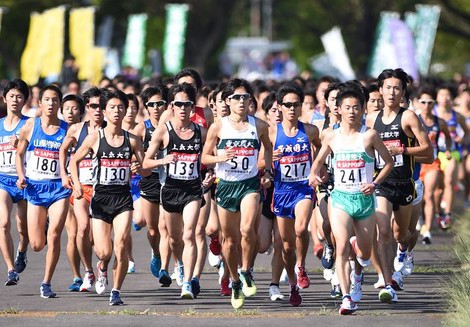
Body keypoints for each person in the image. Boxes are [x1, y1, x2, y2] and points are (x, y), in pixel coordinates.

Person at [310, 85, 394, 314]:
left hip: (364, 200)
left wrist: (375, 183)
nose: (352, 112)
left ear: (363, 109)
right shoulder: (331, 136)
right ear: (339, 109)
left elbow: (389, 162)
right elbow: (318, 162)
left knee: (365, 254)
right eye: (347, 107)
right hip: (340, 199)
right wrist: (313, 175)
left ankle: (359, 264)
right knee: (342, 246)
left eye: (356, 107)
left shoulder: (369, 136)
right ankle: (346, 297)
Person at [69, 89, 147, 305]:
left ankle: (116, 291)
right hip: (101, 198)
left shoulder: (132, 140)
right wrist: (76, 185)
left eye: (120, 107)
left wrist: (139, 166)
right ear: (104, 111)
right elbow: (73, 161)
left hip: (123, 198)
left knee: (121, 243)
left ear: (125, 111)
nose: (117, 111)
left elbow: (146, 170)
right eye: (112, 107)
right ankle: (102, 267)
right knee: (104, 251)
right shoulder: (95, 138)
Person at [201, 78, 273, 309]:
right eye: (236, 98)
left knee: (247, 230)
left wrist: (267, 171)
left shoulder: (259, 125)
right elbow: (204, 157)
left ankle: (246, 270)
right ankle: (234, 281)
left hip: (250, 184)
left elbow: (268, 148)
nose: (241, 102)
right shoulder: (218, 126)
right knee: (229, 241)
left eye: (245, 97)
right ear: (227, 101)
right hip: (225, 186)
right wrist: (220, 158)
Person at [366, 68, 433, 303]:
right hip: (382, 183)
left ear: (403, 91)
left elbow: (429, 152)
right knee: (383, 232)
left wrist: (402, 150)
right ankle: (388, 282)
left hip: (405, 183)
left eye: (397, 88)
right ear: (380, 90)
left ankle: (405, 251)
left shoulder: (408, 117)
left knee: (401, 234)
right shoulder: (371, 119)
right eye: (388, 88)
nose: (392, 92)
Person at [143, 83, 207, 299]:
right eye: (178, 104)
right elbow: (145, 162)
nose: (182, 108)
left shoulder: (200, 131)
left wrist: (211, 170)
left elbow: (210, 156)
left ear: (192, 107)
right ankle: (180, 264)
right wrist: (163, 159)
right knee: (174, 239)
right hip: (169, 189)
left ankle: (187, 282)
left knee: (190, 234)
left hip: (192, 190)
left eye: (186, 104)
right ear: (172, 106)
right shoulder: (164, 130)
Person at [15, 84, 71, 298]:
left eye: (55, 100)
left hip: (59, 188)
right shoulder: (30, 126)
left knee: (55, 235)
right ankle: (29, 244)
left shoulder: (67, 130)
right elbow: (18, 154)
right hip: (35, 188)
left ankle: (46, 282)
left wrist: (69, 175)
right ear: (40, 103)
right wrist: (21, 175)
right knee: (38, 244)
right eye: (47, 99)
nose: (50, 103)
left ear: (59, 104)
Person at [270, 83, 321, 306]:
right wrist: (270, 158)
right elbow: (260, 161)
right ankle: (292, 284)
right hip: (282, 192)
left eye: (296, 105)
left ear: (301, 107)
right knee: (286, 246)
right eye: (287, 105)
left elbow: (321, 148)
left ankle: (301, 265)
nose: (292, 109)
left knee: (301, 228)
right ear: (279, 107)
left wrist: (318, 170)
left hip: (303, 189)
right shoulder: (272, 132)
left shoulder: (309, 130)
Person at [59, 88, 104, 292]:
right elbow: (63, 151)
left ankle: (100, 266)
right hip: (81, 187)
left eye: (102, 106)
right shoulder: (77, 129)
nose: (98, 110)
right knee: (82, 228)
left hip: (104, 189)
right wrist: (67, 176)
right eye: (94, 106)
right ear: (87, 107)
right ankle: (87, 271)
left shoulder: (111, 129)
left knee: (96, 238)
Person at [133, 85, 171, 286]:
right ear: (146, 107)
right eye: (151, 105)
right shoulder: (141, 128)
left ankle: (165, 267)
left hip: (170, 181)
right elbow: (132, 151)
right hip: (149, 180)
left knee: (165, 227)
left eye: (160, 103)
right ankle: (156, 253)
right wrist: (137, 161)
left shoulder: (173, 126)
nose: (156, 108)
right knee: (154, 229)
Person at [0, 79, 30, 286]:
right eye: (11, 96)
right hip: (3, 180)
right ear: (4, 98)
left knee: (23, 230)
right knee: (3, 224)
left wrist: (21, 144)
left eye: (19, 96)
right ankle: (11, 270)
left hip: (25, 181)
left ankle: (22, 250)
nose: (15, 100)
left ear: (25, 100)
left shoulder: (29, 124)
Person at [416, 87, 452, 245]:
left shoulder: (439, 122)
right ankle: (420, 220)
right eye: (423, 102)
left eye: (430, 102)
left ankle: (427, 230)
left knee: (429, 195)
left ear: (434, 103)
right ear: (418, 103)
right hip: (416, 163)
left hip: (432, 162)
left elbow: (448, 137)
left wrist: (448, 149)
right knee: (419, 198)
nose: (426, 105)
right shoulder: (413, 120)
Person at [58, 94, 86, 292]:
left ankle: (91, 269)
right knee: (73, 232)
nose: (70, 112)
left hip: (90, 184)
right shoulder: (57, 130)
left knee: (89, 235)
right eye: (66, 108)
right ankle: (77, 275)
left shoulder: (88, 130)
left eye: (74, 108)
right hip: (65, 185)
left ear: (81, 111)